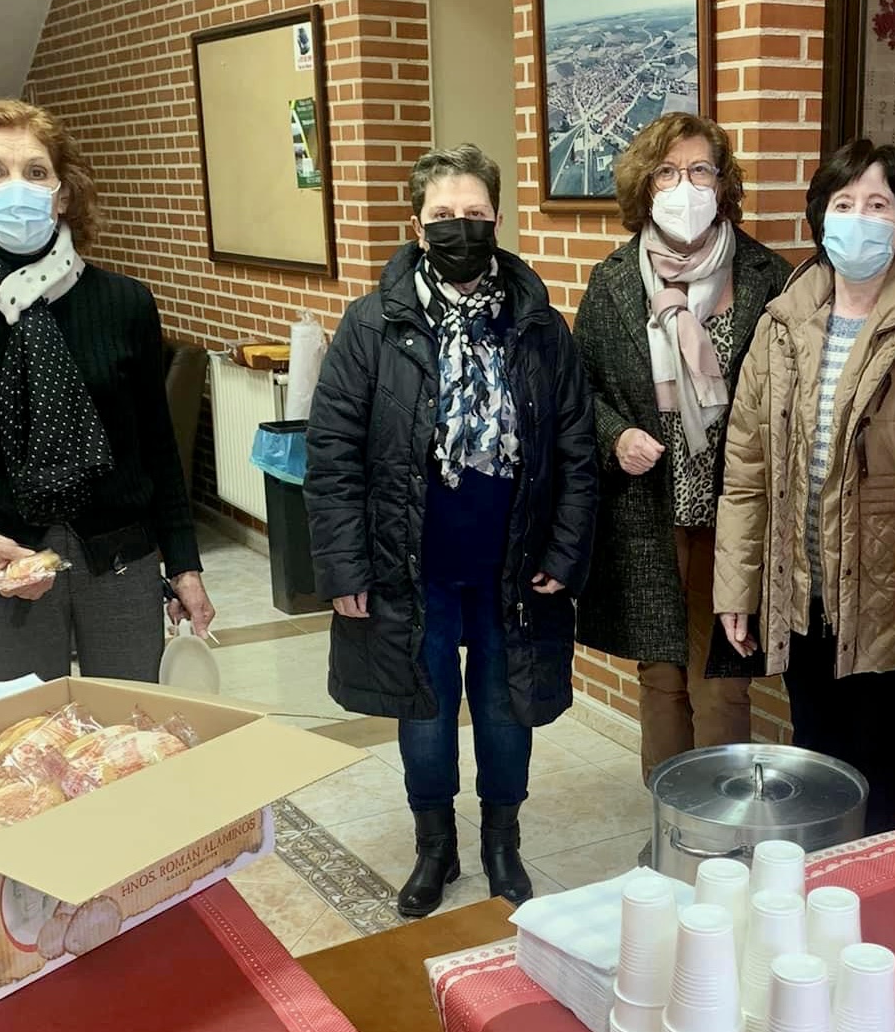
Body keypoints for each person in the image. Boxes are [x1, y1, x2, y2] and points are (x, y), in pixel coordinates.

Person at [305, 144, 596, 917]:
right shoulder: (371, 327)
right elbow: (331, 454)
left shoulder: (539, 327)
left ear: (498, 220)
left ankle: (504, 843)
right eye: (443, 217)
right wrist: (344, 568)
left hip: (515, 566)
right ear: (416, 225)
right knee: (424, 714)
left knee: (507, 712)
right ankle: (435, 847)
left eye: (474, 215)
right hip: (411, 566)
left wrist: (566, 553)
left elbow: (576, 449)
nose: (459, 229)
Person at [0, 99, 213, 683]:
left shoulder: (123, 303)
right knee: (28, 741)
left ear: (62, 194)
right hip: (8, 569)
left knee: (133, 733)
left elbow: (158, 449)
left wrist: (184, 564)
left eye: (36, 172)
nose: (17, 187)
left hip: (121, 564)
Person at [713, 140, 895, 835]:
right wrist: (737, 587)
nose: (860, 219)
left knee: (878, 771)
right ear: (820, 216)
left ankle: (871, 911)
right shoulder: (784, 321)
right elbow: (747, 468)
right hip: (803, 592)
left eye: (878, 205)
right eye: (844, 203)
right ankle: (812, 903)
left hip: (891, 593)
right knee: (814, 760)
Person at [573, 114, 792, 783]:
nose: (684, 185)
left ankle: (723, 828)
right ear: (645, 185)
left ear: (723, 184)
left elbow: (788, 393)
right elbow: (579, 390)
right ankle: (672, 822)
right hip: (647, 512)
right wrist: (616, 435)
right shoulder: (614, 283)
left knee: (722, 680)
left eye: (700, 170)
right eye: (667, 172)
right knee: (661, 676)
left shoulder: (768, 277)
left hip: (734, 514)